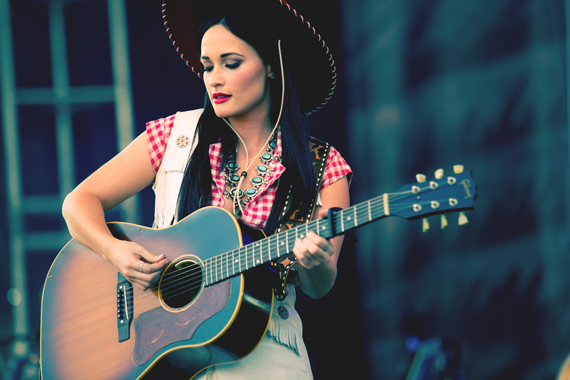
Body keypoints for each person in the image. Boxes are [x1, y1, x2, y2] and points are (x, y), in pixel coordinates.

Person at [62, 0, 352, 378]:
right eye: (207, 66)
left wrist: (315, 262)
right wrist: (115, 252)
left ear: (270, 66)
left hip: (267, 352)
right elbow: (78, 202)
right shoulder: (174, 137)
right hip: (166, 352)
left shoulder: (323, 165)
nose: (214, 78)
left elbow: (320, 285)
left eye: (231, 64)